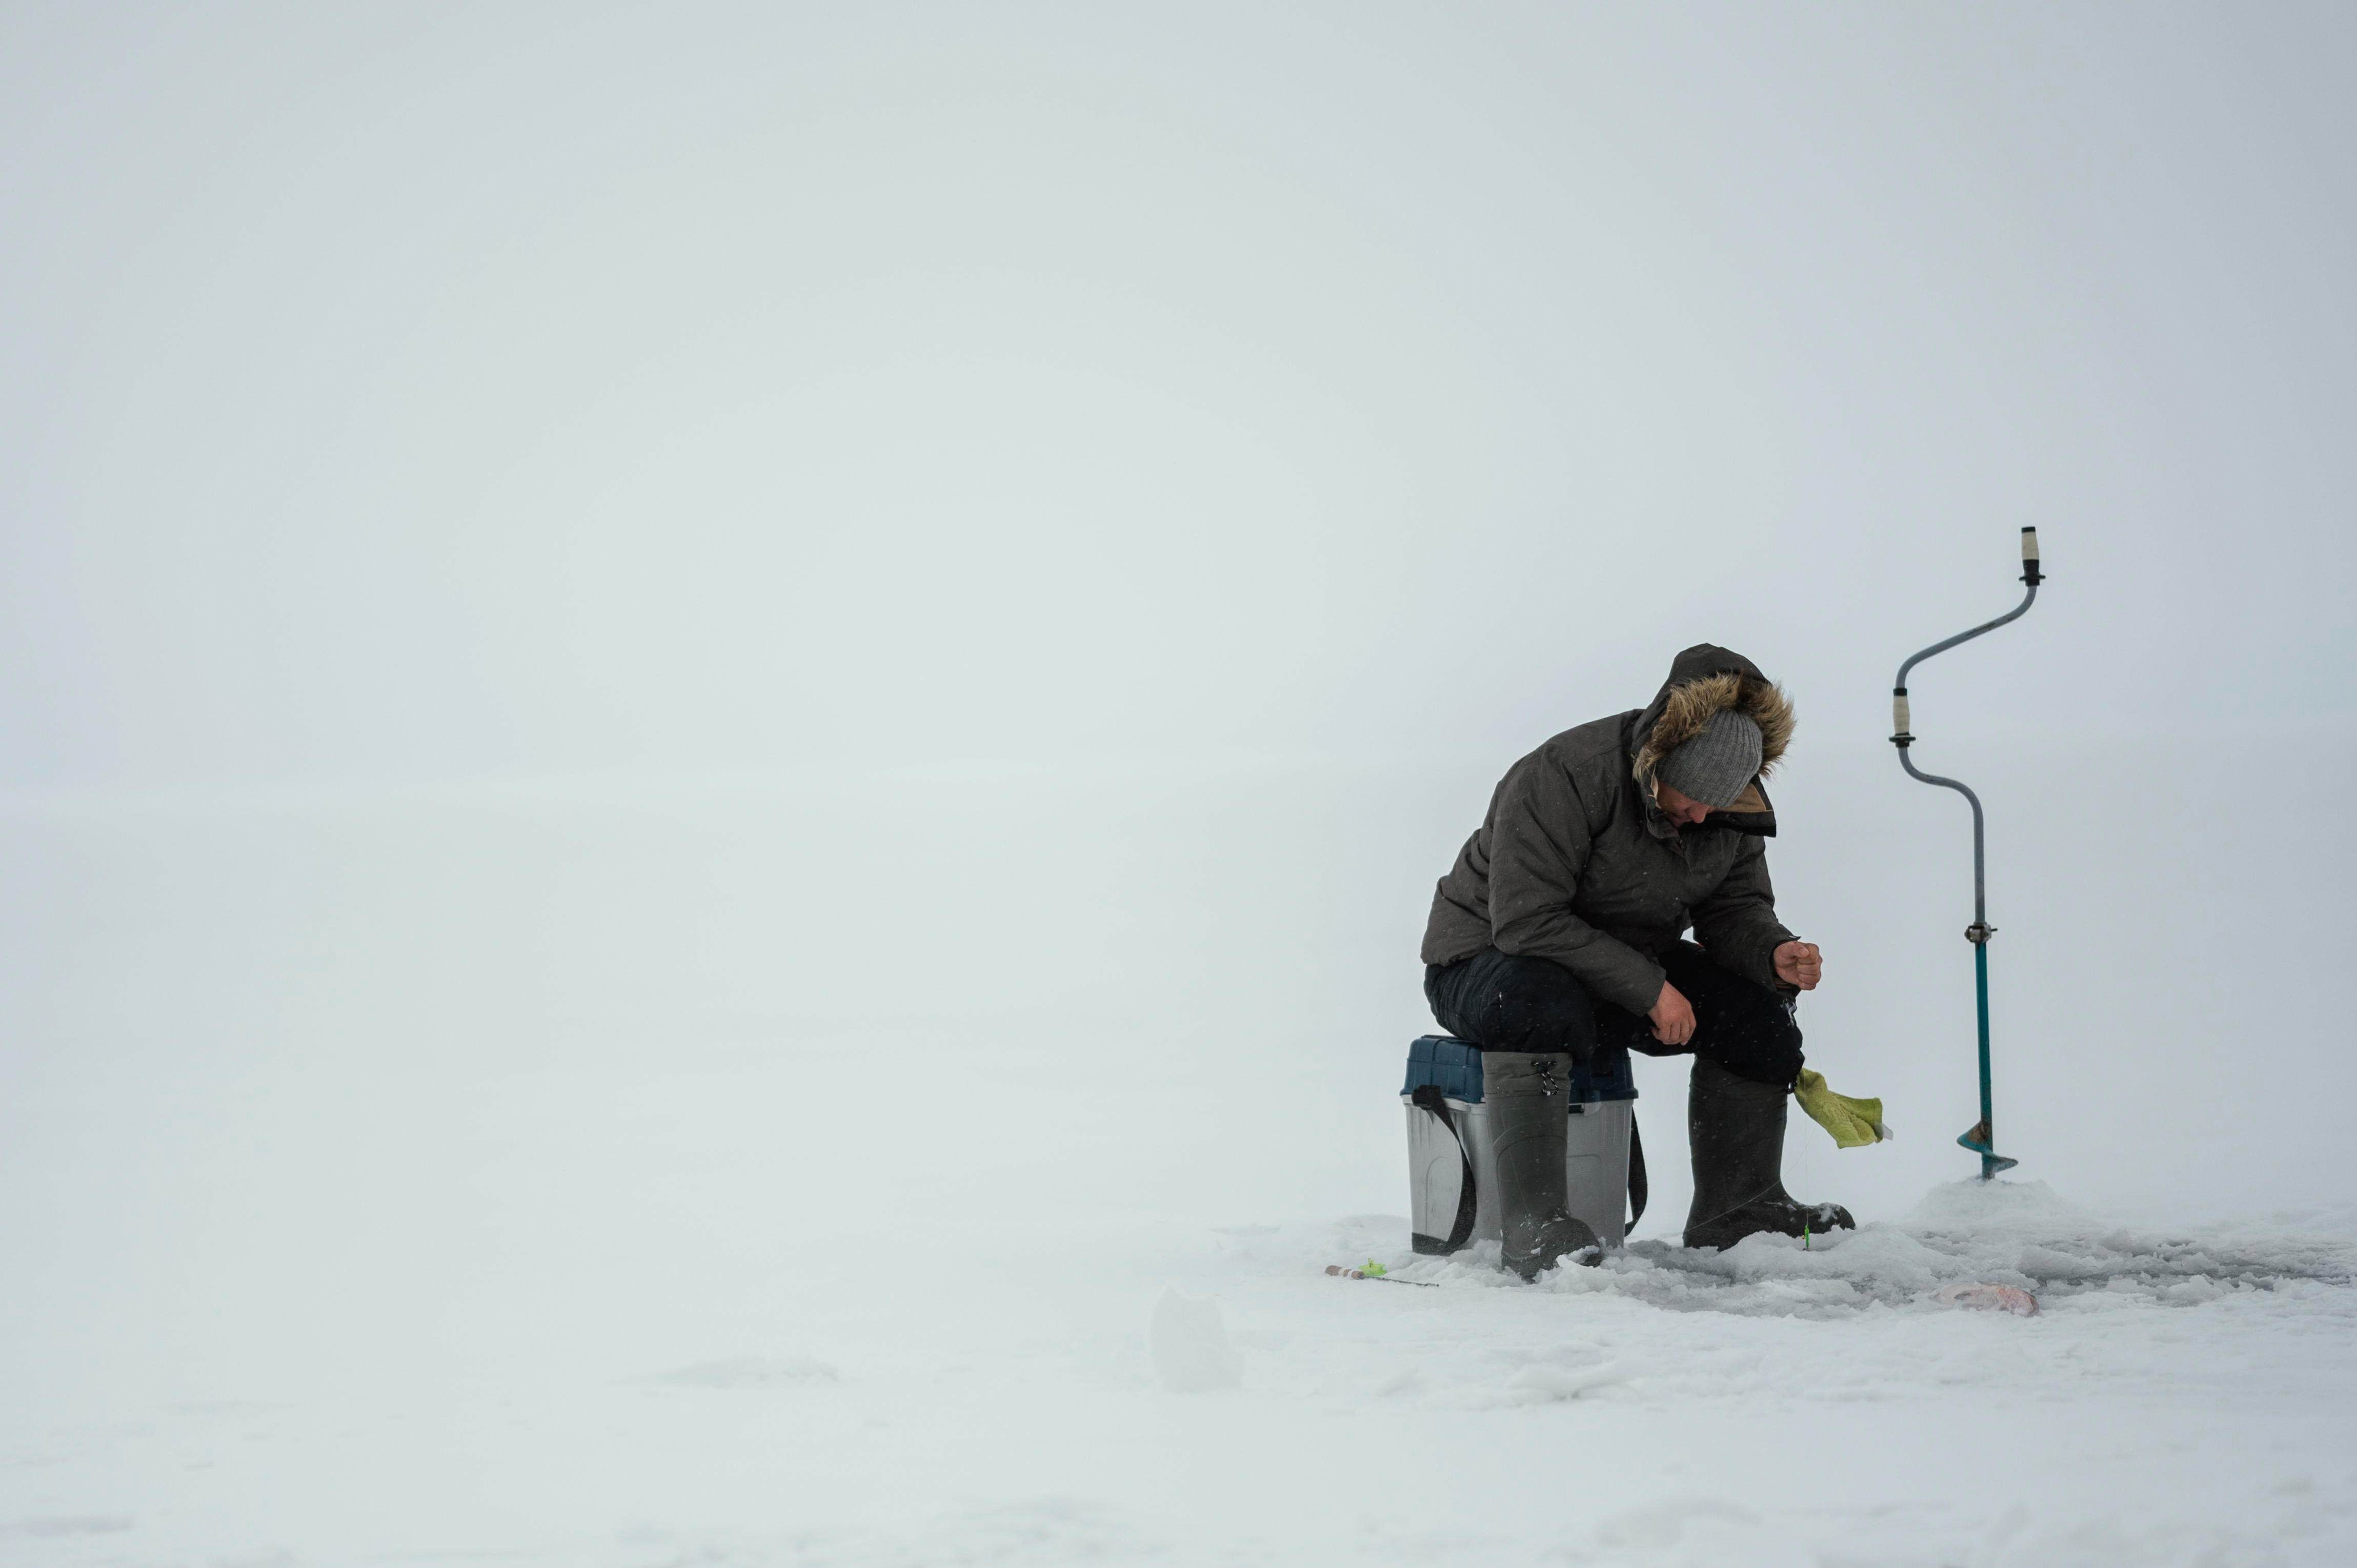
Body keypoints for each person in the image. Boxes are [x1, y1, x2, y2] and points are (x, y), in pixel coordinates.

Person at [1421, 644, 1853, 1279]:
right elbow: (1525, 921)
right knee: (1540, 999)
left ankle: (1738, 1210)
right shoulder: (1564, 773)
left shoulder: (1727, 806)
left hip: (1614, 969)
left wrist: (1773, 951)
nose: (1702, 815)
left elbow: (1734, 909)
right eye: (1691, 798)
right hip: (1484, 963)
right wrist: (1650, 986)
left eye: (1719, 804)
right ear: (1659, 760)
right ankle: (1535, 1228)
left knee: (1759, 1011)